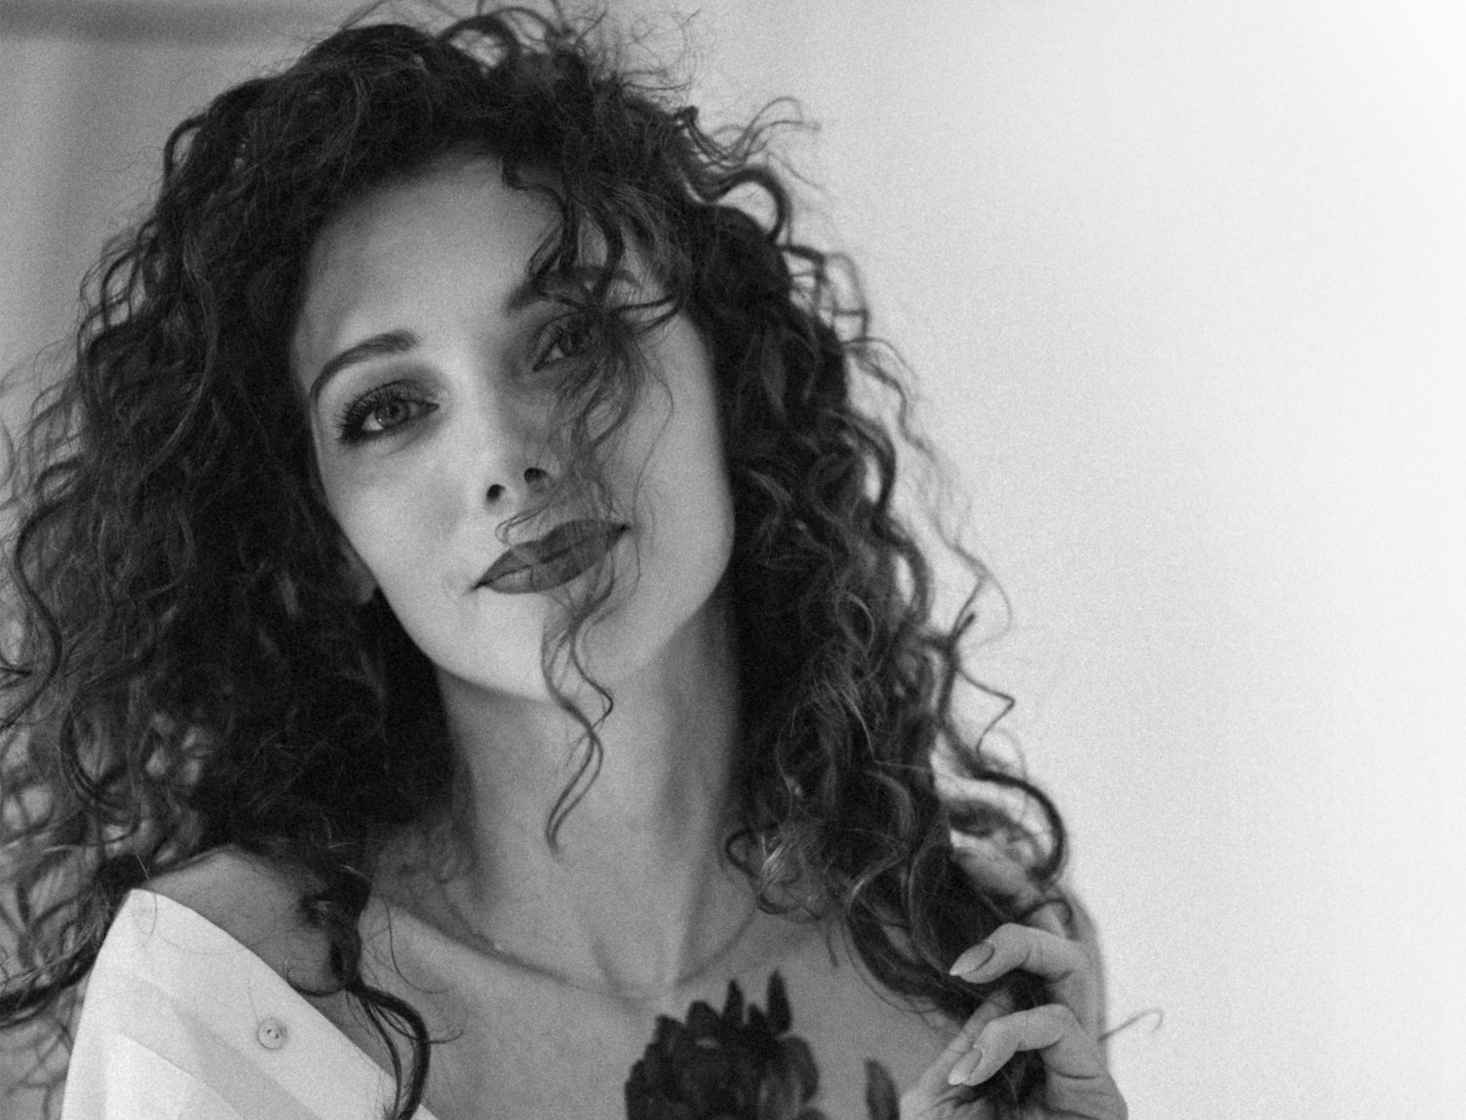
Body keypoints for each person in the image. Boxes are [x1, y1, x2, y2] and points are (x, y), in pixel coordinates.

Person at [0, 6, 1125, 1119]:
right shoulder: (225, 993)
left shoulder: (975, 957)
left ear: (730, 378)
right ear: (329, 534)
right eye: (388, 408)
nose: (506, 458)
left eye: (570, 337)